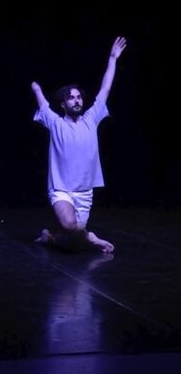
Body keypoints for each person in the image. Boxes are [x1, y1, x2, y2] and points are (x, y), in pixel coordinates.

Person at [31, 36, 127, 253]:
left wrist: (113, 58)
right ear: (63, 104)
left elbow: (105, 89)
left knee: (73, 241)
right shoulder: (55, 123)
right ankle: (92, 238)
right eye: (71, 98)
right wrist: (36, 89)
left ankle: (49, 237)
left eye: (78, 97)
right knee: (70, 226)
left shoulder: (91, 118)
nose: (76, 100)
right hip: (61, 189)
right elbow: (43, 104)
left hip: (84, 192)